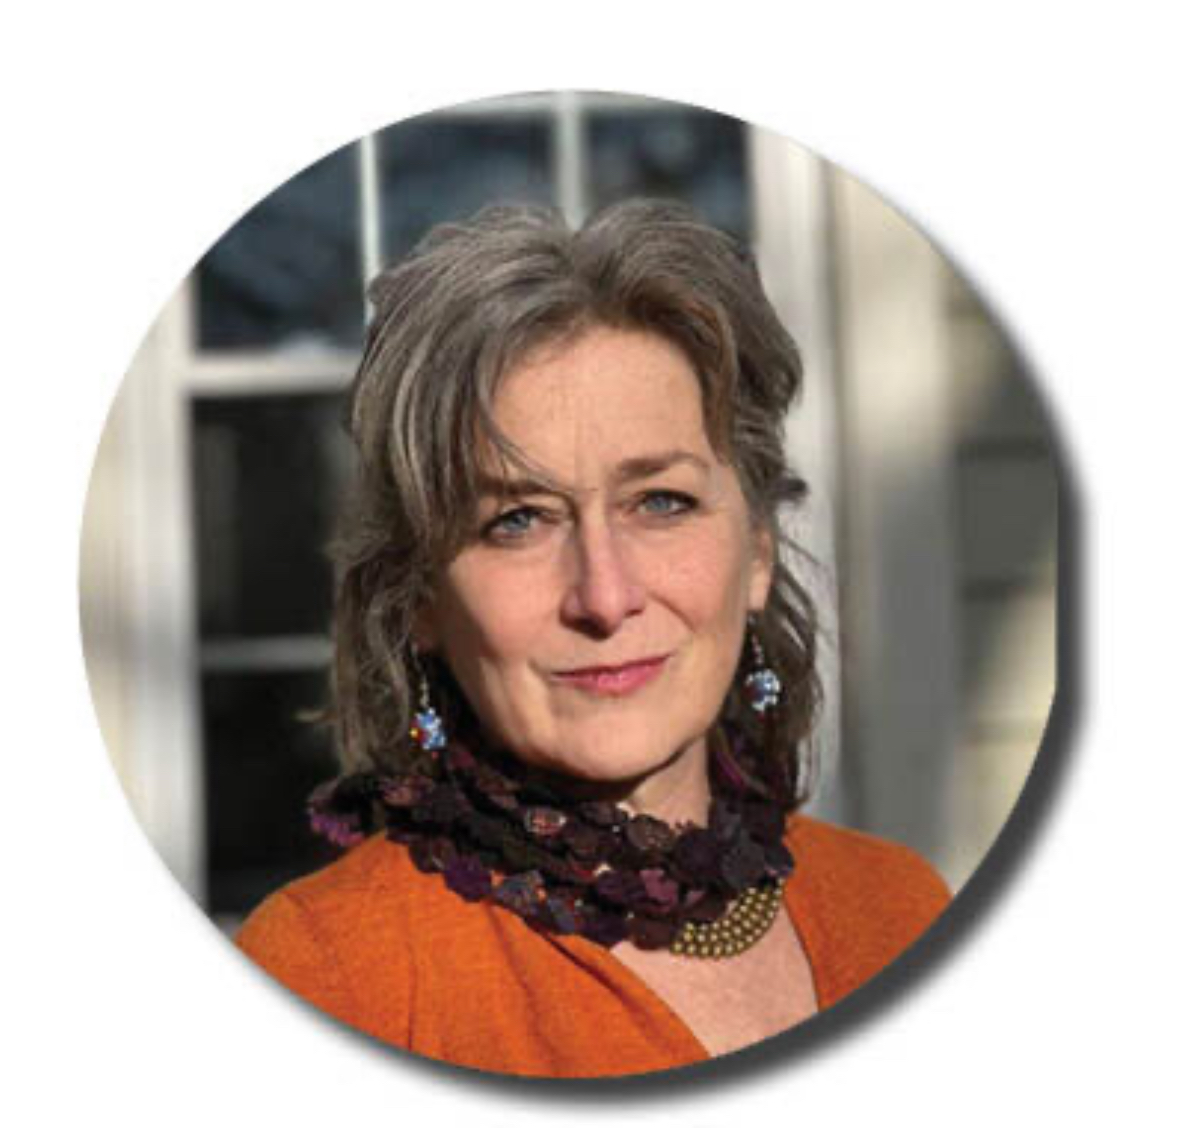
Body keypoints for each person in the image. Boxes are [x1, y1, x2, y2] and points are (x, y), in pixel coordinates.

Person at [235, 199, 950, 1078]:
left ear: (757, 551)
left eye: (661, 502)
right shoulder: (336, 977)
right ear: (419, 597)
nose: (604, 599)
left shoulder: (902, 913)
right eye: (517, 520)